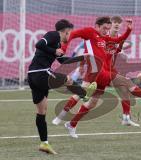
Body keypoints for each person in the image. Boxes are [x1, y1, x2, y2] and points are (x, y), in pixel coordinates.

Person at [53, 16, 141, 138]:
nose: (106, 31)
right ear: (97, 26)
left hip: (104, 71)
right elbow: (73, 35)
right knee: (126, 83)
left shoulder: (106, 39)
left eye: (109, 28)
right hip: (96, 71)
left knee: (91, 103)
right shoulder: (89, 32)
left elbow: (119, 40)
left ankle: (72, 124)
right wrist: (63, 48)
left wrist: (129, 30)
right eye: (105, 28)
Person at [27, 19, 96, 154]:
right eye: (69, 33)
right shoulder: (53, 35)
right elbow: (39, 44)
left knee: (41, 111)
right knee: (67, 79)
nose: (70, 36)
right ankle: (84, 94)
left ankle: (44, 143)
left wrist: (82, 58)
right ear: (65, 31)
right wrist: (54, 50)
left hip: (33, 76)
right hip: (40, 73)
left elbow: (63, 61)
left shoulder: (58, 43)